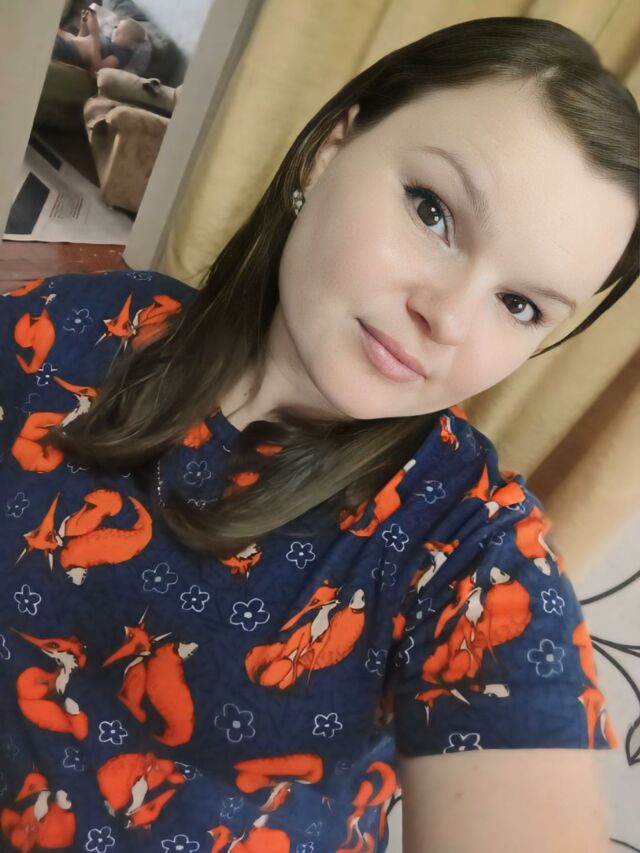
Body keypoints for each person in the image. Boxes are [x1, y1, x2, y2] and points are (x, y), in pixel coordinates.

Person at [0, 15, 637, 853]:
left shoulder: (470, 556)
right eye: (433, 212)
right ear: (330, 150)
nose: (446, 318)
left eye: (519, 305)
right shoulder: (74, 328)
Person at [52, 7, 147, 74]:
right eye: (116, 27)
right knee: (52, 27)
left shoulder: (122, 53)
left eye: (118, 31)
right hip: (71, 41)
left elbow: (98, 68)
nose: (114, 30)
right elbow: (81, 38)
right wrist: (84, 25)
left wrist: (95, 34)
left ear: (130, 43)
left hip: (72, 52)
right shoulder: (108, 40)